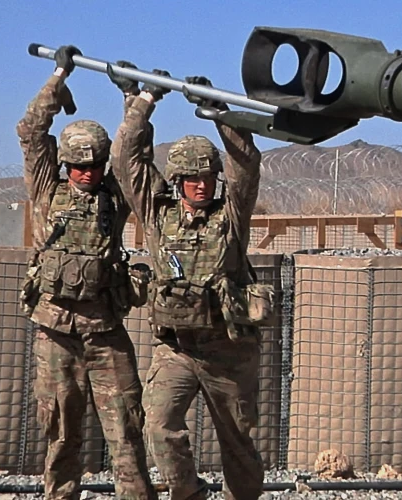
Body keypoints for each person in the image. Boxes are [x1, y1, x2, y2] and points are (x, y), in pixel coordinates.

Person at [108, 65, 274, 500]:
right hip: (176, 348)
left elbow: (246, 166)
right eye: (192, 178)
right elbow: (126, 161)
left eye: (207, 178)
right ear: (177, 180)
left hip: (228, 349)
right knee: (159, 425)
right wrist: (143, 102)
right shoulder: (158, 214)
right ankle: (188, 494)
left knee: (237, 442)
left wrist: (219, 113)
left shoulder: (230, 217)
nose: (201, 186)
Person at [16, 45, 157, 500]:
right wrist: (59, 76)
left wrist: (135, 98)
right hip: (55, 333)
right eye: (79, 166)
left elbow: (133, 155)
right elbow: (31, 130)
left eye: (95, 165)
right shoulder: (46, 187)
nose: (88, 174)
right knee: (60, 434)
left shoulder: (113, 196)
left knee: (127, 434)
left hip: (105, 332)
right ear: (65, 165)